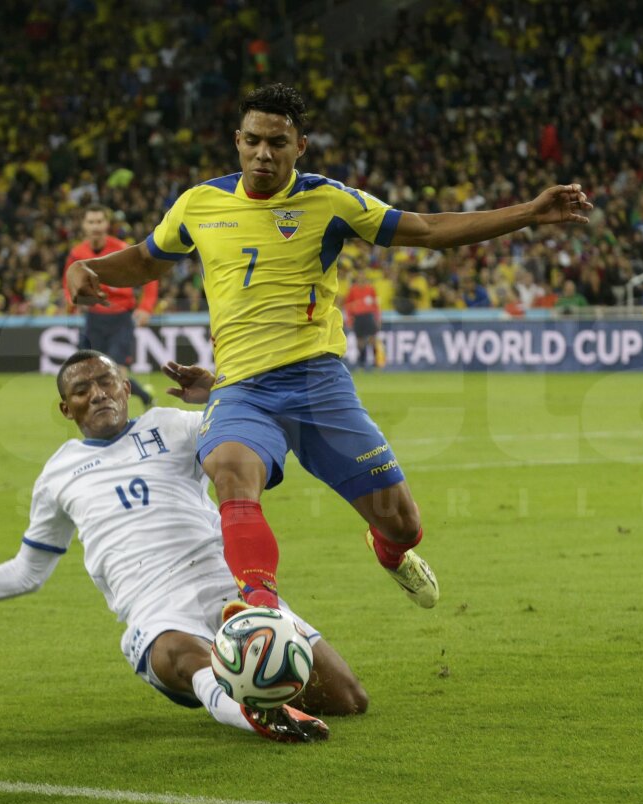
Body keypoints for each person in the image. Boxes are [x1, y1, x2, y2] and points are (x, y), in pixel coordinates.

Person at [66, 83, 591, 617]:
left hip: (318, 384)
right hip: (241, 390)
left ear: (301, 147)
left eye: (278, 142)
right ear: (237, 141)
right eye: (252, 141)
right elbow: (149, 260)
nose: (263, 153)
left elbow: (428, 229)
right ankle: (259, 612)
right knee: (228, 468)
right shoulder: (199, 204)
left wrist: (528, 212)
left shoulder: (330, 201)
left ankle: (388, 551)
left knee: (403, 524)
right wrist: (86, 267)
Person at [0, 350, 368, 743]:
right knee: (184, 654)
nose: (99, 393)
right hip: (154, 611)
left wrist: (219, 394)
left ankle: (250, 693)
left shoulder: (173, 425)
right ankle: (252, 714)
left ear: (126, 389)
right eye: (82, 389)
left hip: (229, 588)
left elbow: (267, 427)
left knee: (348, 699)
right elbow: (28, 572)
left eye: (107, 382)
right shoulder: (57, 475)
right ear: (67, 409)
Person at [63, 205, 158, 407]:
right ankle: (144, 396)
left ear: (107, 224)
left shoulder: (122, 249)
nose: (95, 226)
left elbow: (149, 276)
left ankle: (118, 422)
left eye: (99, 221)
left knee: (114, 369)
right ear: (84, 225)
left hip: (121, 318)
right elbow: (68, 282)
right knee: (89, 371)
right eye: (91, 222)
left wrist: (145, 307)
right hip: (94, 319)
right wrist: (75, 301)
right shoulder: (77, 253)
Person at [340, 268, 383, 370]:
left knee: (373, 339)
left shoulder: (370, 289)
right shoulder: (352, 290)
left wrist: (378, 318)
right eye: (359, 276)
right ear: (357, 278)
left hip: (369, 316)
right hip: (358, 317)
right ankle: (361, 363)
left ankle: (376, 362)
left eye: (363, 276)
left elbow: (376, 305)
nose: (361, 278)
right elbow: (348, 305)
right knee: (360, 341)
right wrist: (349, 319)